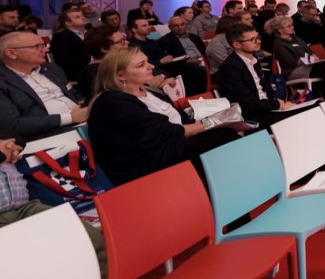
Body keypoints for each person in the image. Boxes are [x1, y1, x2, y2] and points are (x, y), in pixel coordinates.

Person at [0, 117, 107, 279]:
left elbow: (8, 130)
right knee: (14, 274)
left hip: (25, 209)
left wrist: (7, 144)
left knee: (89, 239)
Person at [86, 47, 235, 187]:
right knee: (225, 136)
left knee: (228, 131)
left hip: (170, 145)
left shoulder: (149, 91)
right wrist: (214, 122)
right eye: (141, 65)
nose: (151, 66)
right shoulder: (112, 101)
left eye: (147, 61)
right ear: (120, 76)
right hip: (148, 163)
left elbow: (179, 118)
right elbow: (165, 131)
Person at [0, 31, 88, 140]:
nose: (46, 49)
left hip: (81, 120)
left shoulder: (52, 68)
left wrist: (85, 105)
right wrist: (70, 118)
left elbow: (73, 94)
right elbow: (11, 125)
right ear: (12, 53)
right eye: (37, 46)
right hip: (47, 135)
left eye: (44, 45)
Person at [214, 26, 286, 124]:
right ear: (237, 44)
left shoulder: (253, 59)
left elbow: (265, 86)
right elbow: (245, 102)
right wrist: (276, 105)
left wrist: (278, 102)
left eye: (258, 37)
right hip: (253, 116)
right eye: (253, 39)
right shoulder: (230, 68)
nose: (259, 41)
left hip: (268, 108)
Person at [269, 17, 325, 99]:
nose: (292, 27)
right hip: (293, 70)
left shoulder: (296, 38)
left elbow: (309, 50)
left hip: (308, 65)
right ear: (280, 30)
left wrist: (313, 55)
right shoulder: (278, 44)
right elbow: (292, 62)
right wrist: (308, 60)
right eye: (288, 26)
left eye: (292, 25)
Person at [159, 15, 210, 96]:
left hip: (203, 60)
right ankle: (204, 95)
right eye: (176, 26)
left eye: (182, 24)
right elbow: (171, 61)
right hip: (185, 66)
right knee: (202, 71)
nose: (180, 27)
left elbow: (204, 51)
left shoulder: (194, 37)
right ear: (170, 28)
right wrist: (186, 61)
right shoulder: (165, 41)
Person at [49, 5, 91, 84]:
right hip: (77, 75)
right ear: (68, 23)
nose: (83, 18)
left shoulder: (90, 33)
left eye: (82, 16)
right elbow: (66, 60)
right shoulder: (61, 37)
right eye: (78, 17)